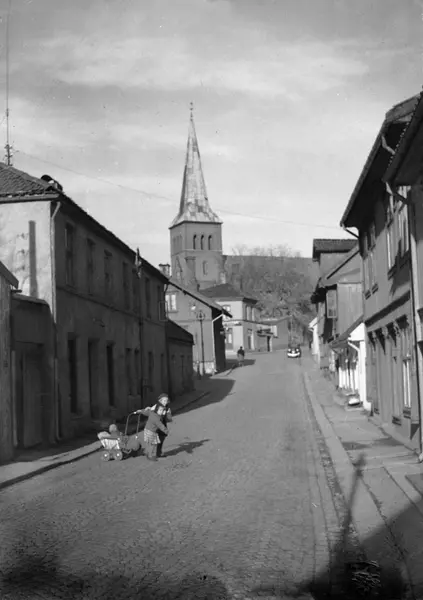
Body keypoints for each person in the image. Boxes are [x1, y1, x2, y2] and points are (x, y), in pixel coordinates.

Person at [145, 393, 172, 458]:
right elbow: (151, 411)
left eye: (166, 400)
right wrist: (148, 409)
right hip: (156, 424)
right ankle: (148, 452)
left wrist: (168, 414)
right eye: (164, 400)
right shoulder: (156, 406)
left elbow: (169, 419)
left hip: (162, 424)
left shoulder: (167, 408)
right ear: (160, 401)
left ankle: (158, 452)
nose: (165, 402)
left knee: (161, 438)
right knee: (152, 439)